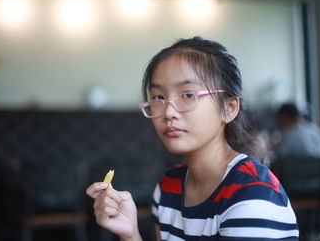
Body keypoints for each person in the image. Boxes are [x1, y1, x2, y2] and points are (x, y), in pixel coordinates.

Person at [86, 37, 299, 240]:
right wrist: (130, 233)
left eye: (188, 95)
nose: (168, 112)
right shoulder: (168, 186)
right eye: (158, 97)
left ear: (229, 108)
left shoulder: (253, 194)